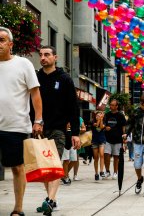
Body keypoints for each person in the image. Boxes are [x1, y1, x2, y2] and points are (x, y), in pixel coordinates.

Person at [0, 27, 43, 216]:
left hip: (15, 126)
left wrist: (38, 120)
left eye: (1, 40)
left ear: (10, 44)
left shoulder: (23, 64)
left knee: (17, 168)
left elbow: (35, 94)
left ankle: (18, 208)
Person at [35, 45, 81, 215]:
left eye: (47, 54)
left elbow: (73, 108)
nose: (43, 57)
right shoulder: (36, 77)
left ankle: (50, 200)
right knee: (44, 168)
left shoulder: (65, 79)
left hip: (59, 130)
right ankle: (51, 200)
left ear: (55, 57)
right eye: (41, 55)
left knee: (54, 164)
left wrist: (75, 133)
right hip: (39, 130)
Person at [103, 99, 127, 179]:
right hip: (108, 138)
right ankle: (107, 171)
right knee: (106, 154)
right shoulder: (107, 115)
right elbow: (103, 125)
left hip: (118, 139)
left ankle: (115, 172)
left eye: (114, 105)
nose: (112, 106)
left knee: (116, 156)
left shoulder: (120, 115)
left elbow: (124, 126)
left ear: (117, 106)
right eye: (111, 105)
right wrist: (105, 128)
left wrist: (124, 136)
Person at [91, 111, 106, 180]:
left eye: (100, 115)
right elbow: (97, 126)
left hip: (102, 140)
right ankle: (96, 173)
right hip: (94, 141)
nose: (99, 116)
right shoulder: (92, 122)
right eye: (97, 115)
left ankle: (101, 171)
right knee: (96, 157)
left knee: (102, 155)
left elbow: (101, 127)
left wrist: (101, 120)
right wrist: (99, 120)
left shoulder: (104, 122)